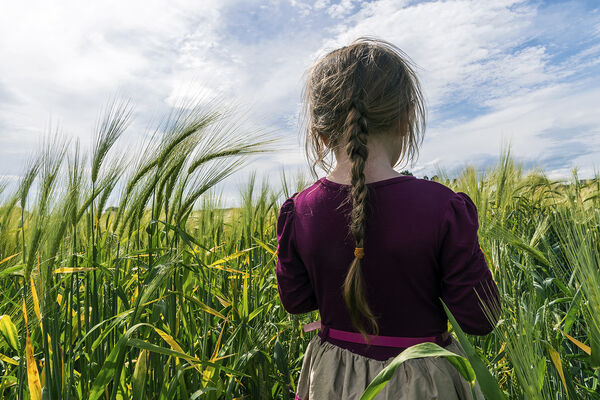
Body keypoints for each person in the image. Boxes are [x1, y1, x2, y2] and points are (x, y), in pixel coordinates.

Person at [275, 37, 501, 400]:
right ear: (405, 120)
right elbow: (479, 318)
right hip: (425, 381)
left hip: (332, 378)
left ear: (319, 134)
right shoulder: (443, 207)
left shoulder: (299, 211)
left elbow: (296, 301)